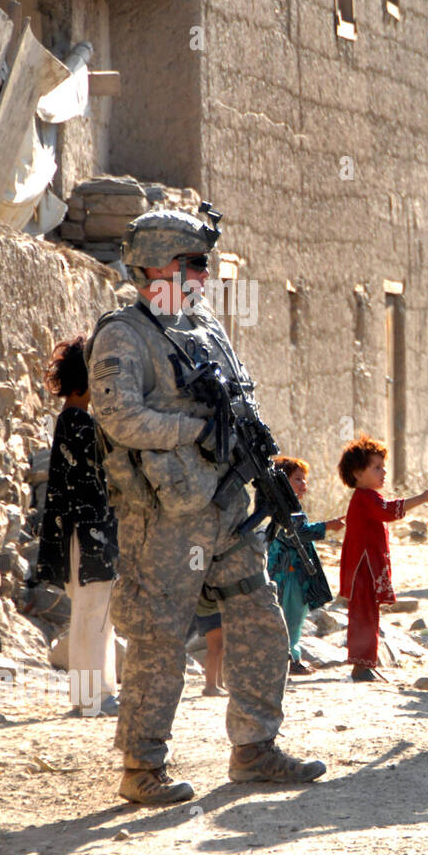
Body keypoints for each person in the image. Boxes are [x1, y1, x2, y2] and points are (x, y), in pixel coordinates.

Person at [88, 207, 325, 804]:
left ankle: (255, 749)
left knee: (261, 621)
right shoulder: (124, 334)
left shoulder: (206, 328)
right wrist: (191, 431)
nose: (201, 274)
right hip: (166, 517)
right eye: (190, 263)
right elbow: (118, 416)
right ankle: (142, 769)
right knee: (160, 637)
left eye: (203, 263)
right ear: (151, 267)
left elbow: (241, 403)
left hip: (226, 507)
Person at [35, 336, 119, 717]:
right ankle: (94, 697)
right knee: (93, 614)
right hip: (88, 535)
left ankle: (93, 695)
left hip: (82, 533)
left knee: (92, 614)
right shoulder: (80, 422)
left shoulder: (73, 419)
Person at [336, 435, 428, 682]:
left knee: (368, 613)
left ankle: (365, 664)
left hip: (367, 567)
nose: (383, 472)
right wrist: (422, 498)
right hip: (364, 568)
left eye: (383, 467)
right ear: (357, 473)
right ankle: (361, 667)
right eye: (377, 467)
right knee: (363, 614)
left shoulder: (367, 497)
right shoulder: (365, 498)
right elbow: (389, 511)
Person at [268, 456, 344, 676]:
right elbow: (298, 533)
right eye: (297, 479)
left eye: (304, 480)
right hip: (289, 575)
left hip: (291, 574)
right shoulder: (283, 510)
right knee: (290, 617)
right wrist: (327, 526)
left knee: (293, 618)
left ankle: (290, 658)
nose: (304, 485)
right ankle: (289, 660)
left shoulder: (285, 508)